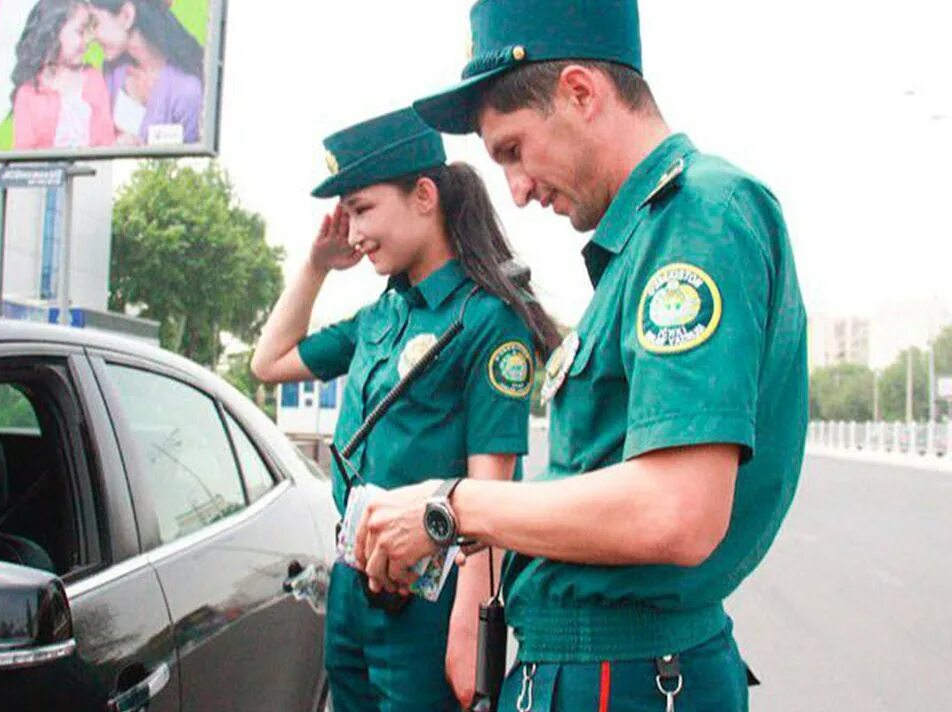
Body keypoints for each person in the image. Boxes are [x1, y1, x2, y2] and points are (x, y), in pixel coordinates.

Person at [352, 1, 808, 710]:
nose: (519, 190)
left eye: (513, 151)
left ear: (581, 93)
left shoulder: (697, 218)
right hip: (598, 669)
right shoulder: (645, 243)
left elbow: (675, 512)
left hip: (625, 674)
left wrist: (453, 507)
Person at [251, 107, 560, 711]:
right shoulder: (380, 316)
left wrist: (469, 629)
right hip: (352, 579)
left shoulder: (486, 322)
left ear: (424, 196)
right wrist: (316, 266)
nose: (355, 231)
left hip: (431, 597)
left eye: (362, 209)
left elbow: (490, 492)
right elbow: (270, 361)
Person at [87, 0, 204, 145]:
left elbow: (191, 162)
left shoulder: (187, 90)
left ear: (126, 16)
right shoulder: (113, 70)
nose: (91, 38)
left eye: (95, 23)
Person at [10, 0, 117, 150]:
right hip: (46, 172)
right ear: (54, 31)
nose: (87, 41)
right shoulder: (28, 92)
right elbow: (23, 154)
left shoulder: (93, 79)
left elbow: (105, 139)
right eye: (80, 32)